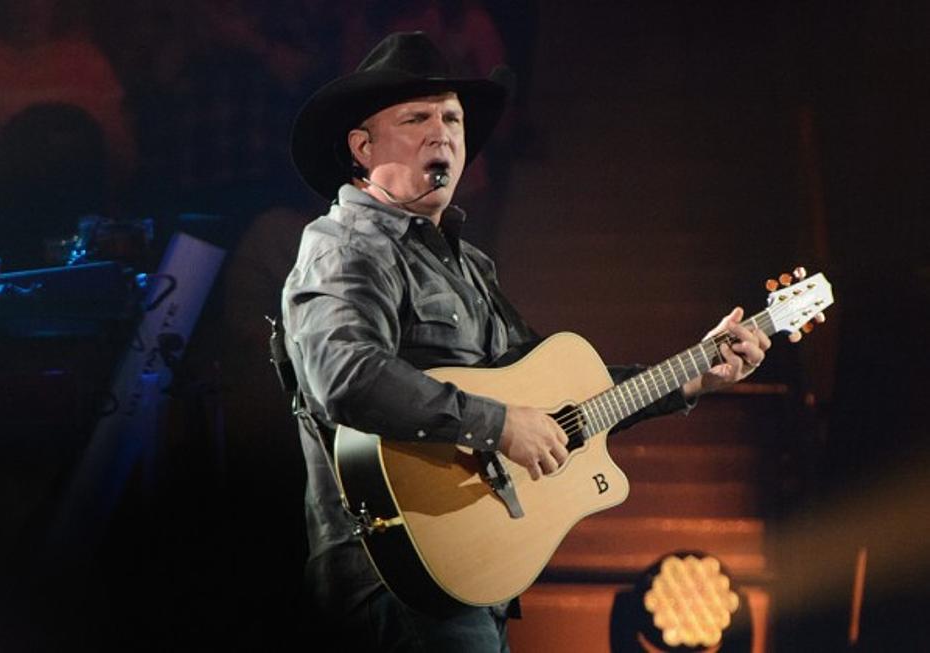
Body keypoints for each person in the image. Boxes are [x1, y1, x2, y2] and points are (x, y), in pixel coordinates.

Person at [281, 31, 770, 652]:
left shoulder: (471, 267)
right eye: (417, 117)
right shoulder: (344, 246)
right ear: (362, 146)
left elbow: (566, 401)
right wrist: (497, 424)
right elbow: (344, 376)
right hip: (389, 581)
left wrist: (696, 374)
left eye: (453, 118)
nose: (444, 132)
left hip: (473, 575)